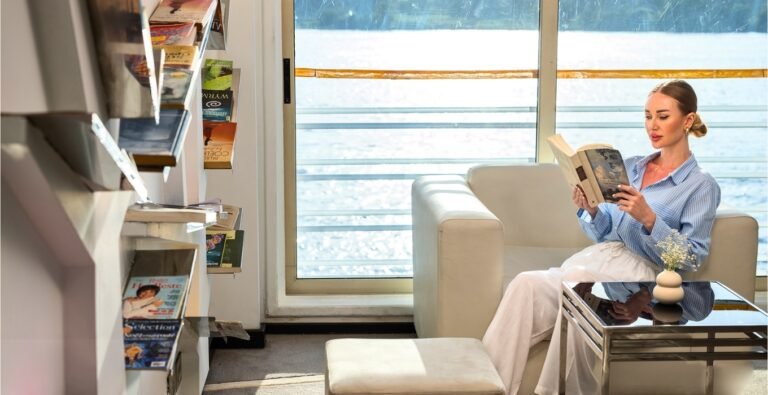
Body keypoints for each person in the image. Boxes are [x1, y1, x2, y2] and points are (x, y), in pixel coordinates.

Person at [481, 80, 720, 395]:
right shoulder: (632, 167)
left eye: (663, 116)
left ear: (687, 120)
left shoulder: (701, 185)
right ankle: (486, 387)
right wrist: (592, 210)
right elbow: (608, 230)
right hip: (604, 262)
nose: (653, 125)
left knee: (579, 284)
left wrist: (648, 217)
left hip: (645, 272)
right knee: (526, 283)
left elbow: (692, 257)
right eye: (648, 116)